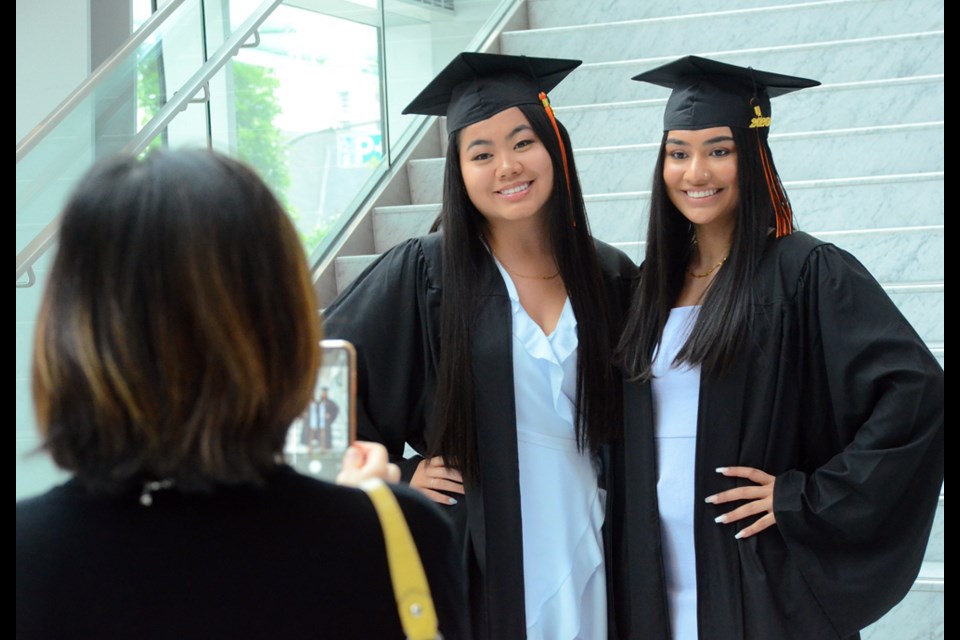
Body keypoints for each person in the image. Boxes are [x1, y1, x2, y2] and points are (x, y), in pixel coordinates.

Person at [15, 149, 467, 640]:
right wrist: (363, 515)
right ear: (282, 318)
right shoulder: (394, 540)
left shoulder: (32, 557)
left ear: (68, 330)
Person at [608, 55, 945, 640]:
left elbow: (915, 394)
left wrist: (805, 497)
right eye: (678, 152)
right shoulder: (646, 288)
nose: (696, 172)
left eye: (719, 149)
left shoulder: (806, 272)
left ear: (753, 154)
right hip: (655, 576)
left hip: (755, 576)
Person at [323, 52, 638, 639]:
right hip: (480, 547)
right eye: (482, 153)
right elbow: (314, 377)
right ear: (459, 172)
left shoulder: (611, 276)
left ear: (555, 148)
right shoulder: (426, 272)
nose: (507, 167)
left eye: (523, 143)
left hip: (590, 529)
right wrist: (395, 473)